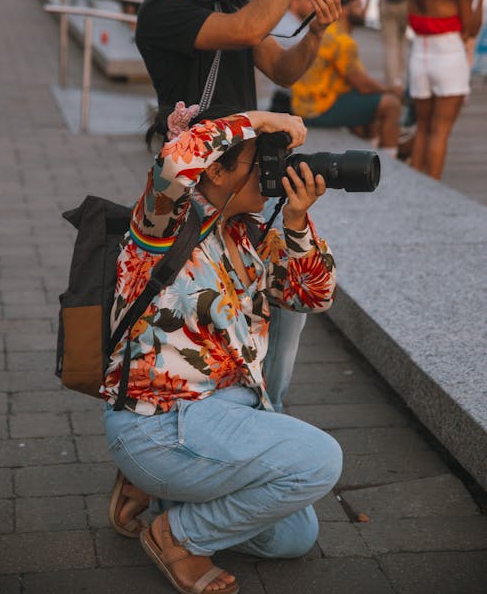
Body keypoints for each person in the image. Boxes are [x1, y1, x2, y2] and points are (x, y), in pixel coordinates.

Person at [102, 106, 342, 594]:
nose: (275, 173)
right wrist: (258, 119)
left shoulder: (247, 233)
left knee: (296, 535)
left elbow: (313, 295)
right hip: (160, 422)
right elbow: (174, 163)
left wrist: (296, 221)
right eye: (263, 160)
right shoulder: (162, 223)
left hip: (223, 417)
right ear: (215, 167)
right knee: (319, 461)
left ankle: (164, 495)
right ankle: (177, 537)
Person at [135, 0, 342, 415]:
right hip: (197, 184)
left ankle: (264, 416)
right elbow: (249, 30)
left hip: (250, 178)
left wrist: (316, 28)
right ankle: (196, 417)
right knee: (208, 312)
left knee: (283, 305)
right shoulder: (163, 10)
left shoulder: (230, 2)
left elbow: (285, 69)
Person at [407, 0, 487, 180]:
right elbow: (472, 28)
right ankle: (433, 190)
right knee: (440, 131)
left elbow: (411, 22)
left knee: (422, 128)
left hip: (420, 58)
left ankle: (416, 183)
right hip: (449, 59)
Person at [290, 0, 401, 156]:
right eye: (357, 6)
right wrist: (391, 90)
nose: (363, 11)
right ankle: (389, 159)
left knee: (371, 101)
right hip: (316, 110)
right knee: (390, 104)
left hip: (302, 104)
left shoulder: (328, 30)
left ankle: (371, 148)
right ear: (342, 10)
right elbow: (363, 85)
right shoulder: (341, 40)